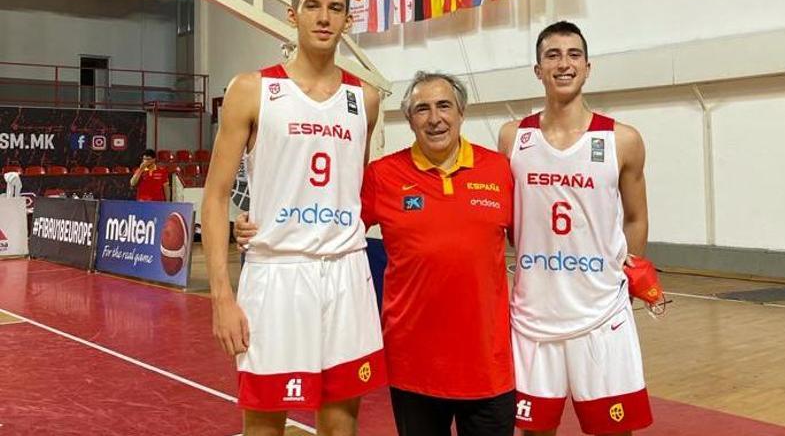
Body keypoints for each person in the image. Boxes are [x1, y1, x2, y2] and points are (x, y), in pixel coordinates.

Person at [235, 72, 516, 436]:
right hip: (415, 370)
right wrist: (261, 222)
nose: (434, 119)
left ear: (461, 112)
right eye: (421, 109)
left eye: (444, 106)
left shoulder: (499, 170)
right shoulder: (382, 176)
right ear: (409, 119)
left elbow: (535, 238)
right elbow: (327, 214)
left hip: (488, 370)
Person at [200, 0, 385, 436]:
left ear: (347, 20)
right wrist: (221, 295)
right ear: (292, 15)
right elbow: (216, 196)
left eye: (336, 8)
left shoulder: (364, 98)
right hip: (278, 272)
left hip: (345, 270)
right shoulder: (251, 89)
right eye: (313, 6)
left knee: (342, 421)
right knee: (264, 423)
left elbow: (352, 186)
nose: (324, 18)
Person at [497, 21, 653, 436]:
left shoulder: (623, 139)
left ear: (587, 67)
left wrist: (629, 277)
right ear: (537, 69)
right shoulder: (513, 137)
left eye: (573, 55)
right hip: (534, 313)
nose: (563, 64)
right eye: (552, 55)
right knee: (534, 431)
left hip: (601, 313)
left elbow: (636, 217)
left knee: (612, 430)